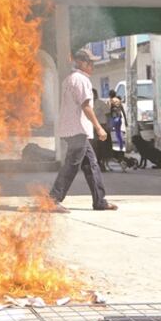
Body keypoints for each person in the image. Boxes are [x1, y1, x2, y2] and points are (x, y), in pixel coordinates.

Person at [48, 50, 117, 212]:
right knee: (72, 165)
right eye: (90, 63)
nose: (92, 66)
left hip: (73, 129)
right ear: (82, 63)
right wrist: (99, 127)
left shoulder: (69, 79)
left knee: (91, 165)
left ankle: (99, 201)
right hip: (77, 129)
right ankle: (53, 199)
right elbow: (85, 106)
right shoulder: (81, 80)